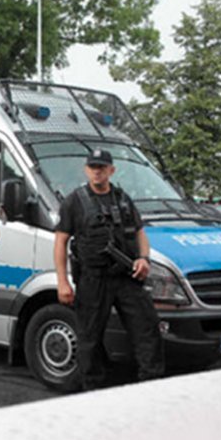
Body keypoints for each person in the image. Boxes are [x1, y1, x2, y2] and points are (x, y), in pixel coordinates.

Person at [53, 148, 164, 391]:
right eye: (93, 167)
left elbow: (139, 233)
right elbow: (60, 242)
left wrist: (144, 259)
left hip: (126, 278)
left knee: (147, 330)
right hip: (93, 279)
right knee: (89, 339)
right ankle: (93, 390)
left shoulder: (123, 199)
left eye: (102, 167)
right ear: (86, 170)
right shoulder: (74, 201)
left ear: (111, 171)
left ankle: (152, 386)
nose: (97, 171)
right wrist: (63, 282)